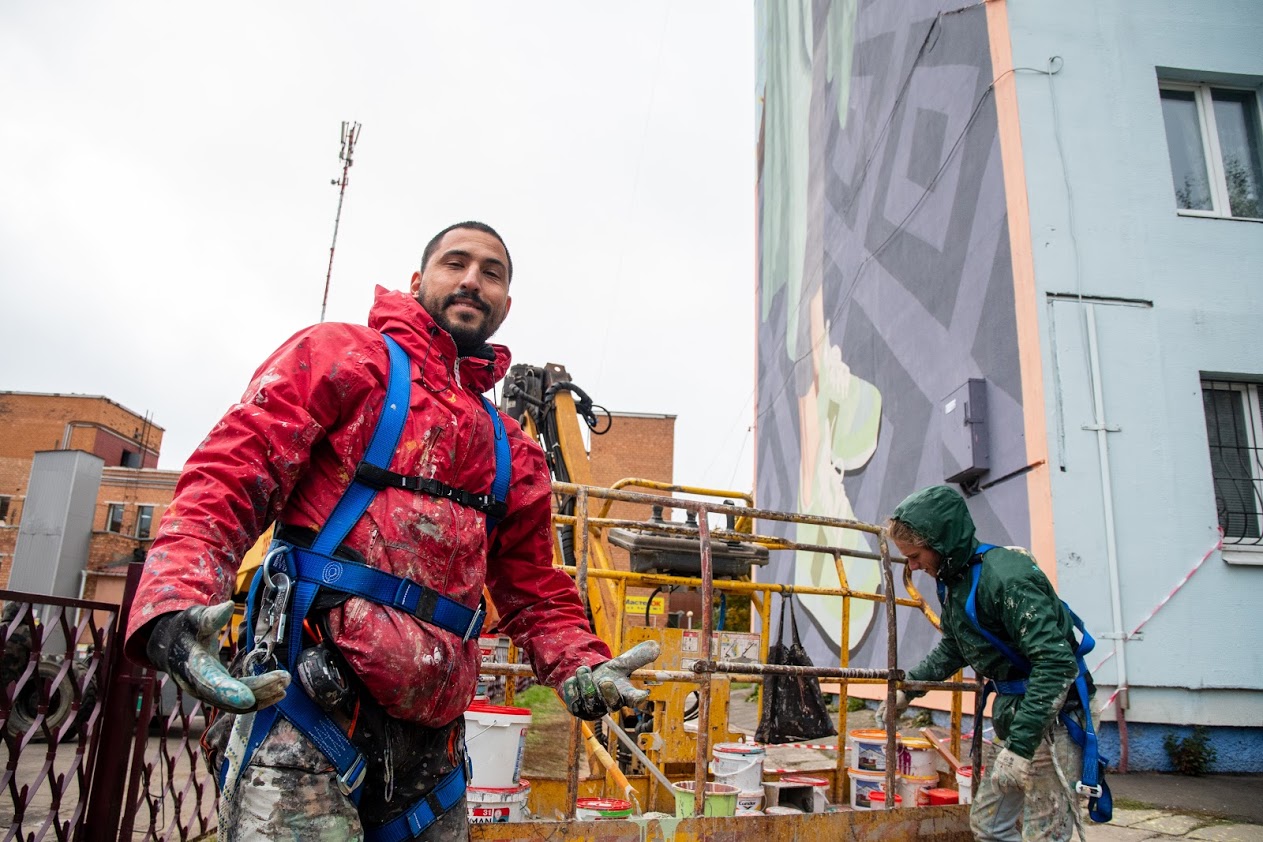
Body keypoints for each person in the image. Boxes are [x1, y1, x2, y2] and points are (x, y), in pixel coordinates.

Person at [125, 221, 658, 841]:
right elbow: (230, 476)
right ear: (416, 281)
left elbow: (534, 588)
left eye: (492, 272)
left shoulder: (512, 449)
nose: (471, 280)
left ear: (506, 305)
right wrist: (175, 601)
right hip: (308, 722)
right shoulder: (344, 360)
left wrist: (580, 667)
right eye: (455, 263)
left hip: (433, 759)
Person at [876, 485, 1095, 842]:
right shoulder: (954, 581)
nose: (913, 567)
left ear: (942, 543)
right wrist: (909, 690)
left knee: (1045, 834)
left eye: (915, 556)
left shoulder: (1007, 577)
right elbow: (955, 647)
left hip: (1055, 716)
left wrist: (1021, 747)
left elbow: (1056, 664)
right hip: (1015, 712)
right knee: (989, 826)